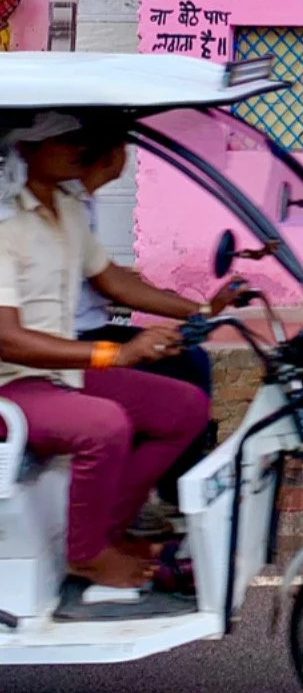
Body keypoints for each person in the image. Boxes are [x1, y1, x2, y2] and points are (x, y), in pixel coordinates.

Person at [0, 112, 240, 591]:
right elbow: (6, 337)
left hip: (58, 374)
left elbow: (112, 280)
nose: (76, 148)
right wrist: (113, 354)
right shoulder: (5, 223)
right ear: (25, 150)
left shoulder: (66, 209)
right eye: (60, 139)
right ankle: (85, 555)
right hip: (12, 384)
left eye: (76, 137)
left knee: (185, 406)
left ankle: (107, 531)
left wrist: (200, 309)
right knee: (106, 426)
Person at [72, 120, 218, 516]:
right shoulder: (61, 204)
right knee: (177, 391)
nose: (127, 156)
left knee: (189, 358)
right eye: (123, 145)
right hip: (69, 344)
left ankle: (174, 489)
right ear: (108, 154)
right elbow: (112, 284)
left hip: (89, 330)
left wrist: (199, 309)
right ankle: (144, 503)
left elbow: (108, 276)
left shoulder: (79, 202)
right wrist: (195, 308)